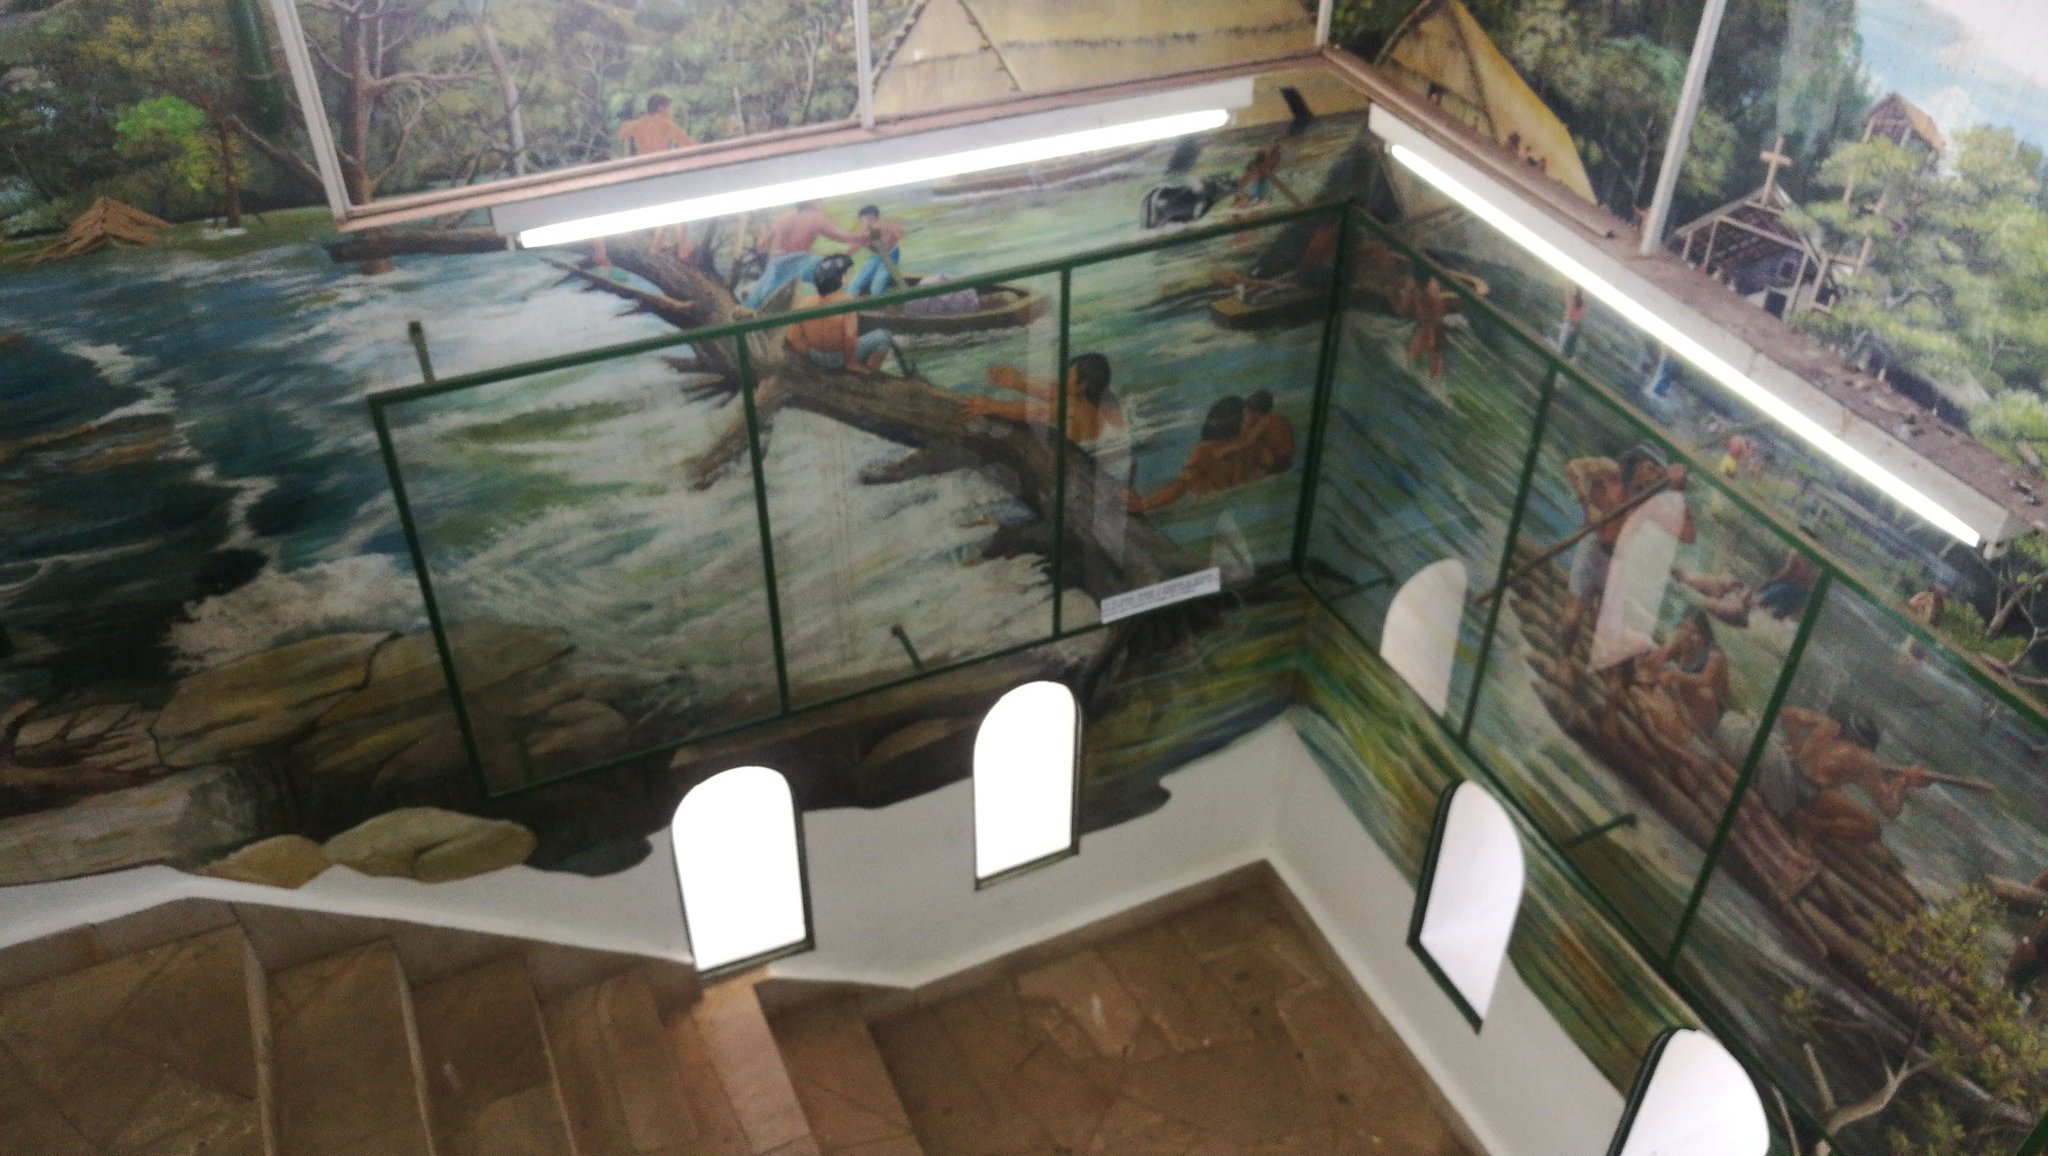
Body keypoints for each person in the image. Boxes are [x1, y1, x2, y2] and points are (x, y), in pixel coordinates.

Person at [1560, 445, 1685, 658]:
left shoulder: (1649, 495)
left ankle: (1594, 628)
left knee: (1612, 623)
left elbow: (1674, 526)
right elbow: (1573, 468)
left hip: (1619, 559)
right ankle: (1564, 660)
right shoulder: (1611, 470)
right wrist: (1587, 506)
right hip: (1594, 547)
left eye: (1659, 474)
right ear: (1638, 464)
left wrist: (1676, 488)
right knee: (1573, 616)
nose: (1655, 477)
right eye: (1651, 469)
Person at [1749, 705, 1933, 849]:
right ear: (1866, 746)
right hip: (1810, 795)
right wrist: (1905, 781)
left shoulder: (1826, 724)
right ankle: (1813, 826)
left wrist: (1794, 742)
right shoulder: (1865, 759)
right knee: (1872, 827)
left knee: (1835, 789)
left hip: (1792, 774)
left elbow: (1787, 713)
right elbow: (1889, 808)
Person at [1128, 396, 1262, 512]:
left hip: (1209, 509)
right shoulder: (1248, 450)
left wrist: (1143, 504)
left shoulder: (1205, 451)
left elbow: (1181, 486)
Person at [964, 352, 1124, 444]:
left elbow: (1034, 413)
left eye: (1069, 376)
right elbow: (1052, 391)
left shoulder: (1073, 406)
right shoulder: (1103, 399)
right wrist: (1017, 381)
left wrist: (992, 406)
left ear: (1083, 385)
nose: (1064, 379)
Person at [742, 201, 865, 312]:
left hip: (775, 263)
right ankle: (843, 304)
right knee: (834, 269)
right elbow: (840, 236)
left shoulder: (783, 218)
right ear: (813, 203)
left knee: (760, 292)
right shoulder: (815, 217)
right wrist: (862, 237)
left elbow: (761, 245)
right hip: (797, 261)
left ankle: (749, 308)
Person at [615, 95, 697, 259]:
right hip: (661, 171)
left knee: (667, 207)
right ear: (660, 108)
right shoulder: (666, 124)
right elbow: (688, 144)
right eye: (668, 107)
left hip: (645, 173)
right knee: (676, 207)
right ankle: (679, 248)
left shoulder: (639, 123)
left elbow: (622, 134)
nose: (669, 111)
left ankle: (659, 245)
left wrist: (627, 125)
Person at [784, 255, 894, 374]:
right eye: (847, 273)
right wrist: (850, 363)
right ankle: (871, 372)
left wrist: (809, 352)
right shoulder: (847, 302)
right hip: (839, 359)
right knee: (884, 336)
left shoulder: (805, 302)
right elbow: (850, 337)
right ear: (841, 278)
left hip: (815, 355)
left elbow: (792, 337)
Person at [846, 204, 907, 297]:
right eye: (862, 220)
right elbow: (856, 245)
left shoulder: (885, 224)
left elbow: (900, 235)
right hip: (875, 257)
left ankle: (889, 301)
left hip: (890, 256)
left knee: (876, 289)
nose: (863, 222)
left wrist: (889, 233)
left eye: (864, 219)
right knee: (852, 287)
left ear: (871, 217)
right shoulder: (865, 230)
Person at [1401, 275, 1449, 381]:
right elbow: (1404, 308)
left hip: (1435, 324)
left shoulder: (1431, 294)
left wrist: (1431, 336)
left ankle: (1435, 379)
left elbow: (1435, 317)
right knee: (1409, 356)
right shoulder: (1415, 287)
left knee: (1432, 356)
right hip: (1429, 321)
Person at [1239, 390, 1295, 476]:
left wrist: (1222, 451)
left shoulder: (1265, 421)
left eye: (1246, 412)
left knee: (1254, 446)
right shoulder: (1272, 417)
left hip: (1279, 460)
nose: (1244, 416)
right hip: (1285, 459)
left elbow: (1246, 442)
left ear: (1255, 412)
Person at [1554, 286, 1585, 357]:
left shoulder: (1573, 298)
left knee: (1561, 344)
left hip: (1568, 323)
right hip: (1575, 325)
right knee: (1567, 345)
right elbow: (1580, 315)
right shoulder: (1582, 302)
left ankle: (1559, 355)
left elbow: (1569, 307)